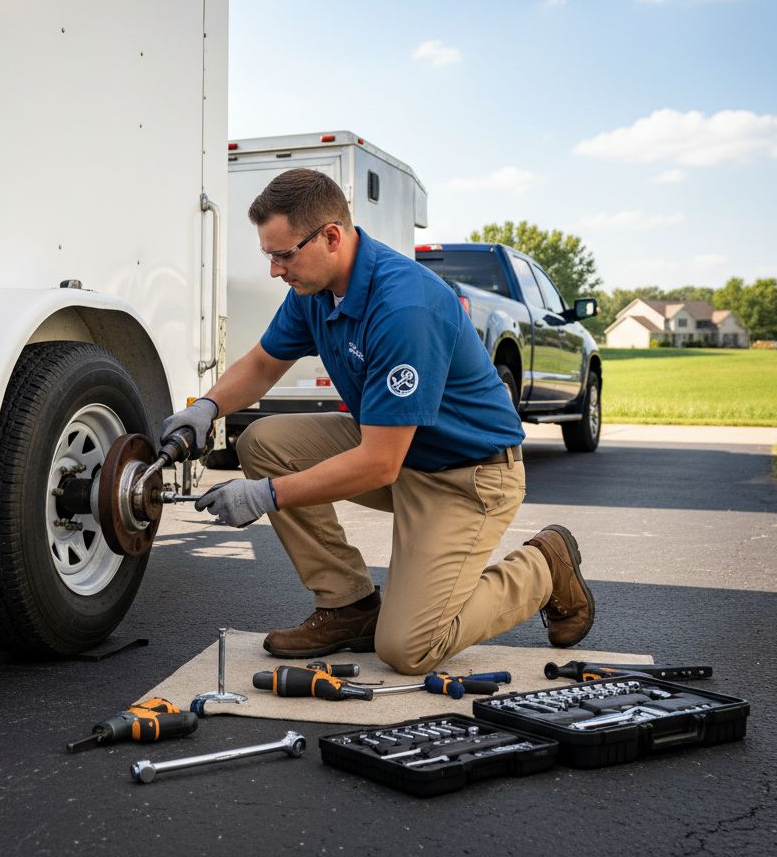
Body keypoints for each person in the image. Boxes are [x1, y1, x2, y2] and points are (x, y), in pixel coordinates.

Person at [162, 168, 594, 675]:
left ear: (331, 236)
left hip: (467, 478)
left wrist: (267, 495)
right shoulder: (314, 291)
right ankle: (349, 606)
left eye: (284, 255)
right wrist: (206, 408)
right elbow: (262, 364)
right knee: (264, 442)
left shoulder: (404, 306)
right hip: (398, 451)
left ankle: (544, 566)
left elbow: (379, 464)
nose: (275, 271)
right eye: (268, 255)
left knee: (410, 649)